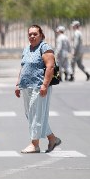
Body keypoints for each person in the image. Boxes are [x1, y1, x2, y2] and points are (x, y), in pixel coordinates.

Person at [15, 25, 63, 153]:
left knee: (35, 115)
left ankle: (34, 144)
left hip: (38, 86)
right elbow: (23, 67)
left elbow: (50, 67)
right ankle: (52, 138)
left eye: (35, 34)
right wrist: (18, 84)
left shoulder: (45, 48)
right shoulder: (26, 49)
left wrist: (44, 85)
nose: (32, 36)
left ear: (41, 35)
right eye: (30, 34)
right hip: (26, 86)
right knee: (31, 115)